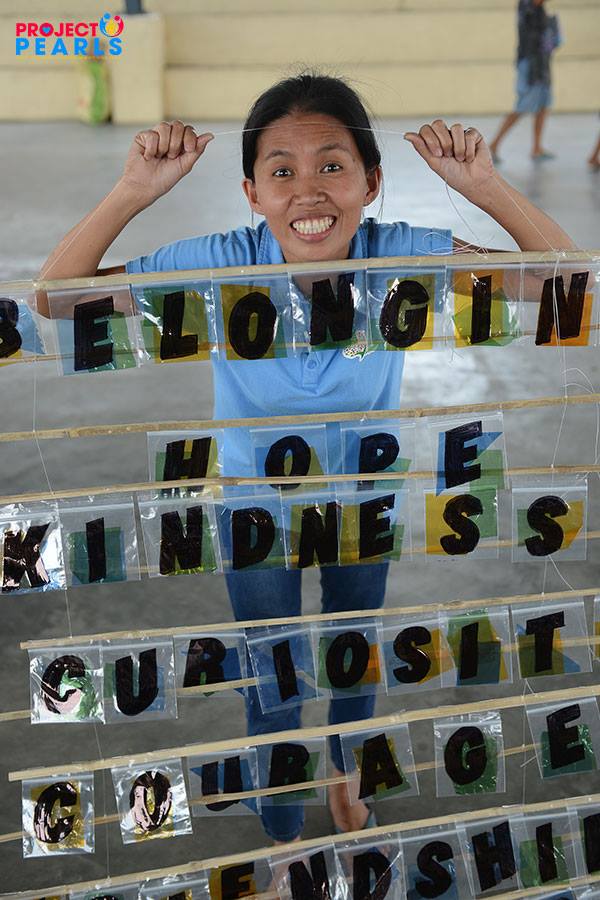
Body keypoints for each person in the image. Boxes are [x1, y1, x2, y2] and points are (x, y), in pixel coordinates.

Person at [40, 73, 575, 844]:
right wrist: (132, 192)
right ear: (253, 194)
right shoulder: (221, 264)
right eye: (282, 171)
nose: (308, 190)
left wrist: (484, 186)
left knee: (354, 651)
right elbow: (55, 298)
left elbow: (565, 278)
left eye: (332, 164)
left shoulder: (399, 256)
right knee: (275, 675)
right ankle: (285, 834)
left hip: (366, 504)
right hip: (254, 512)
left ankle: (346, 775)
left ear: (371, 183)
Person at [489, 0, 559, 163]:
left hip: (542, 65)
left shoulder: (540, 10)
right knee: (522, 107)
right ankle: (493, 145)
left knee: (543, 106)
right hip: (530, 66)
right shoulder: (527, 6)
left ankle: (536, 148)